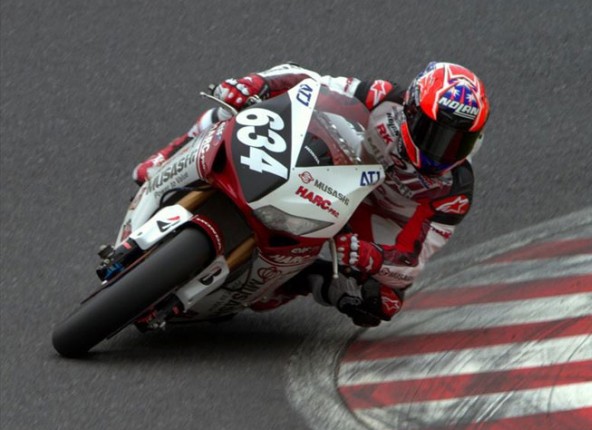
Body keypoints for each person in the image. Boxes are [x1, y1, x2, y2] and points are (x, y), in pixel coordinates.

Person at [133, 62, 490, 327]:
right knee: (236, 109)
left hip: (371, 219)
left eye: (459, 141)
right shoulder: (384, 98)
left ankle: (289, 283)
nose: (443, 150)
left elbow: (413, 257)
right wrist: (258, 84)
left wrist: (370, 257)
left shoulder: (454, 191)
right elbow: (312, 83)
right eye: (435, 133)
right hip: (339, 170)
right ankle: (170, 155)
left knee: (383, 302)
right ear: (411, 110)